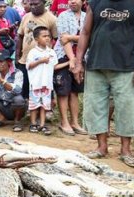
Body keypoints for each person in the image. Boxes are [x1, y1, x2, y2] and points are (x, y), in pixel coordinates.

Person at [73, 0, 134, 168]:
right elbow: (85, 32)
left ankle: (126, 150)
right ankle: (101, 147)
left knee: (127, 107)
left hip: (126, 64)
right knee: (96, 105)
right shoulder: (95, 2)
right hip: (96, 62)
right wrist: (78, 62)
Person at [54, 0, 86, 136]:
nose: (72, 1)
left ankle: (75, 122)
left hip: (82, 57)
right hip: (63, 56)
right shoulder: (63, 16)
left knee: (75, 91)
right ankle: (64, 122)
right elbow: (63, 39)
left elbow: (90, 38)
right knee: (63, 90)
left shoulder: (87, 16)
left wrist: (72, 37)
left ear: (83, 1)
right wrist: (72, 59)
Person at [16, 0, 57, 98]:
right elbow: (20, 36)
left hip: (43, 62)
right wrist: (18, 55)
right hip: (25, 60)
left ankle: (46, 108)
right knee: (25, 87)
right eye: (31, 4)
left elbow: (56, 39)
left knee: (43, 87)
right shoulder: (26, 16)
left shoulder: (51, 19)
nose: (33, 7)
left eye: (36, 4)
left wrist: (51, 55)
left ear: (44, 3)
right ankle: (29, 108)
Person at [26, 26, 57, 135]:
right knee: (34, 105)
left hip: (47, 84)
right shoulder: (33, 52)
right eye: (44, 36)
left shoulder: (52, 52)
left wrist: (69, 63)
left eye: (48, 36)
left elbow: (54, 66)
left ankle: (42, 124)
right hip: (35, 83)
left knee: (44, 105)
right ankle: (33, 123)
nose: (47, 38)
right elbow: (29, 66)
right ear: (36, 39)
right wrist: (41, 60)